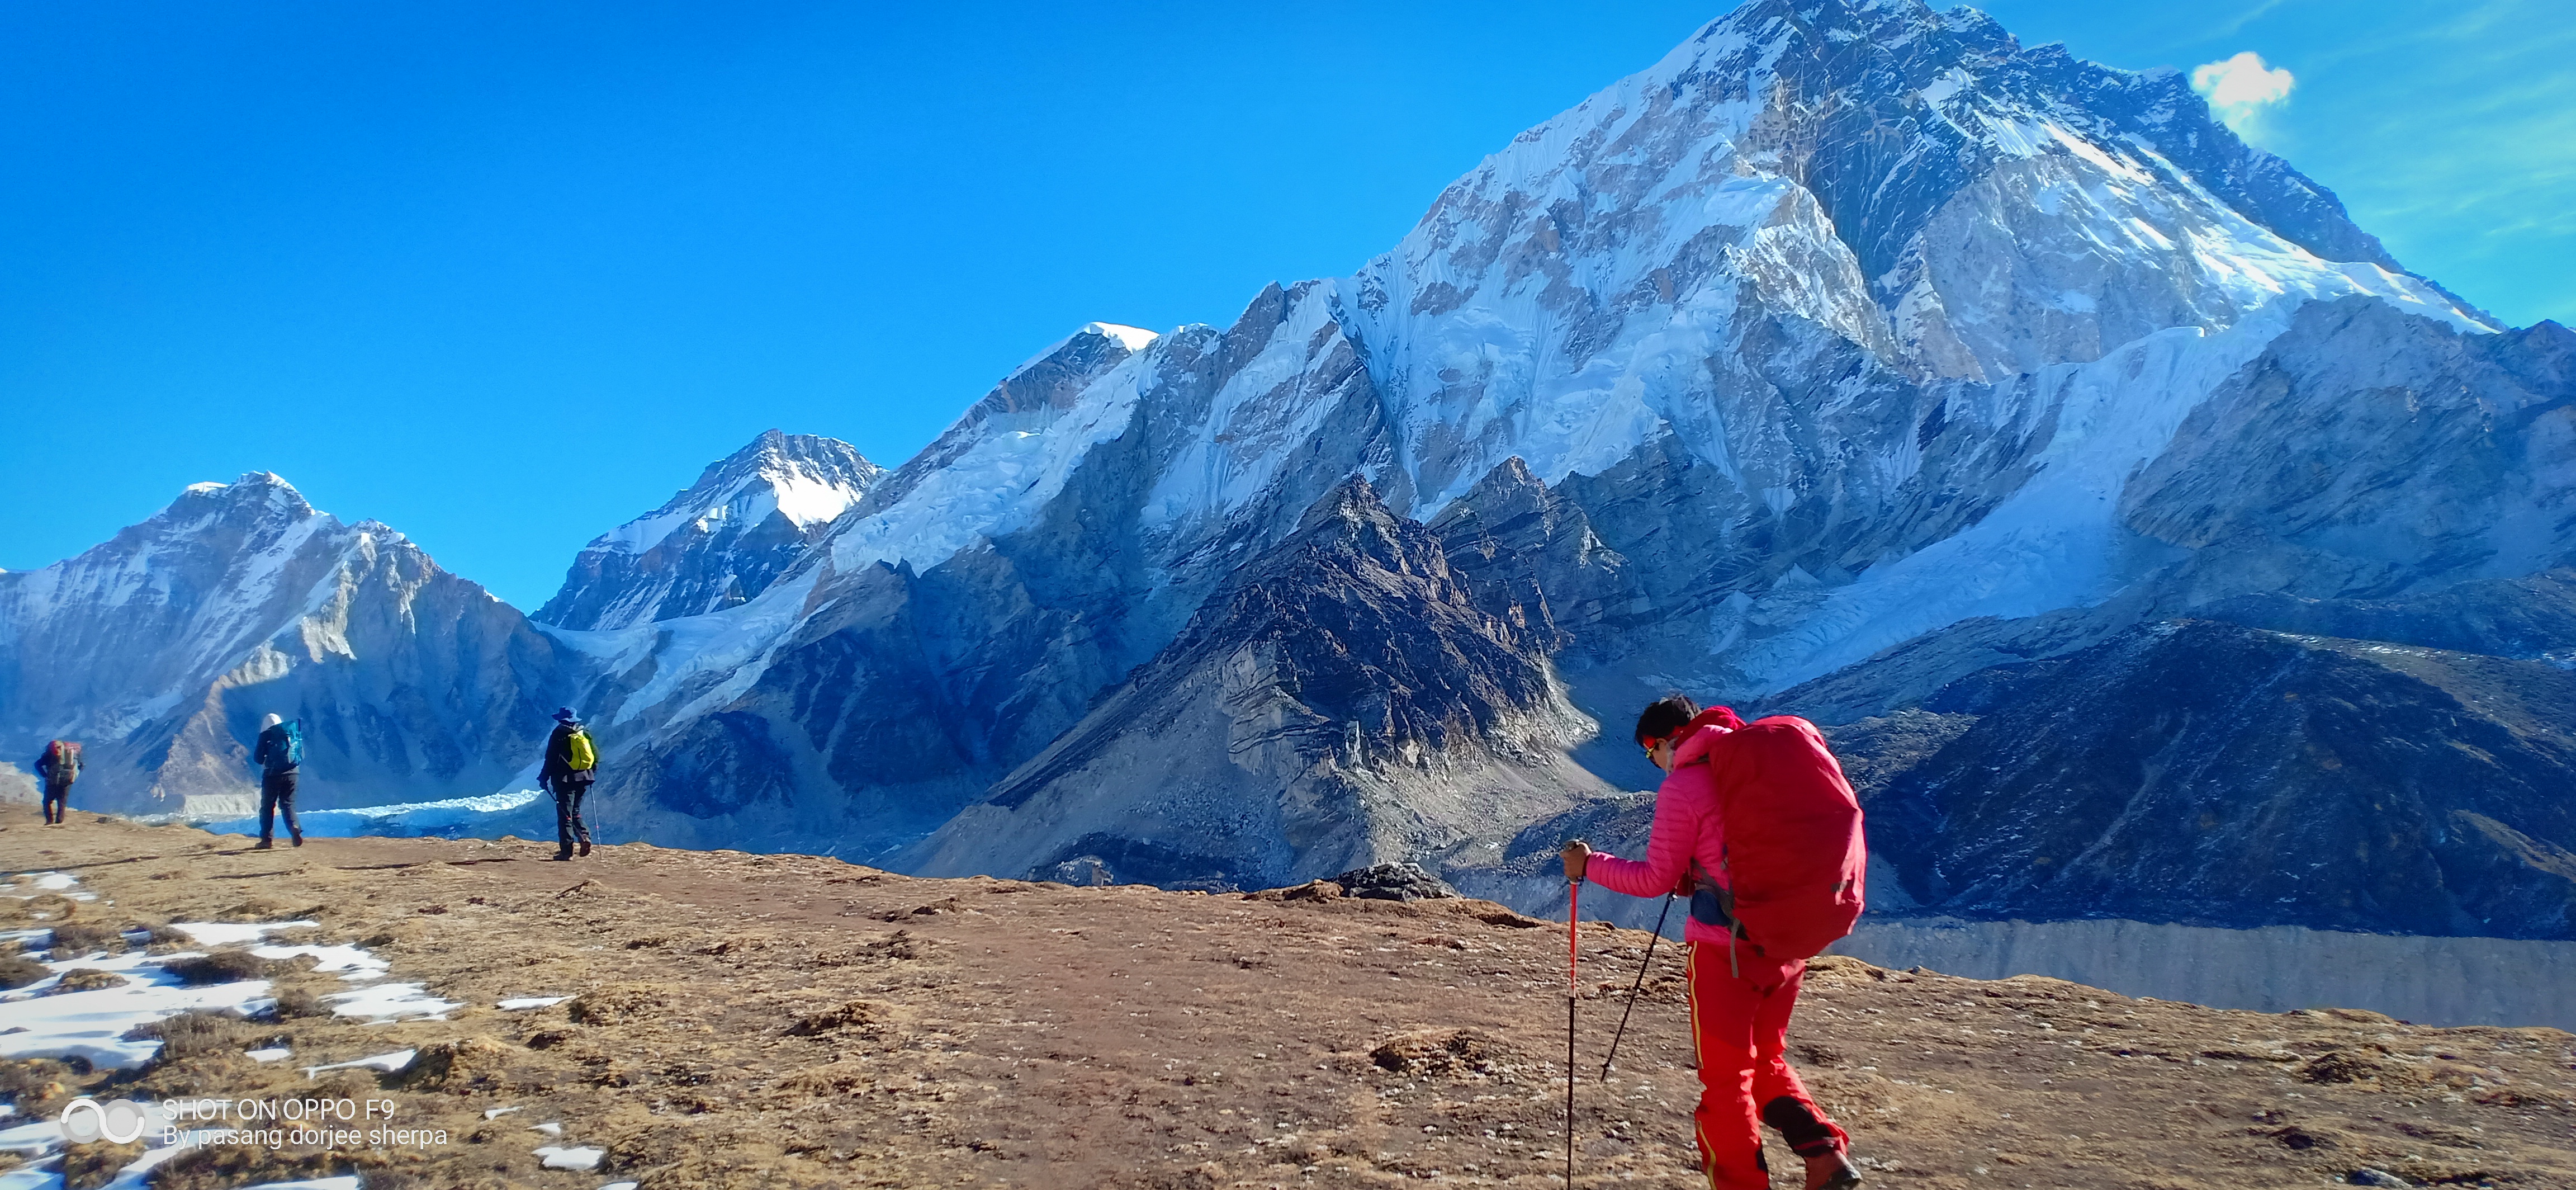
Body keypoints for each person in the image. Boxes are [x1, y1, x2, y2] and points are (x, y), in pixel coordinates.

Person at [1562, 695, 1862, 1190]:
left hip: (1725, 954)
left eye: (1650, 753)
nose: (1654, 765)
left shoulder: (1686, 785)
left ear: (1664, 742)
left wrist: (1589, 865)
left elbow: (1654, 879)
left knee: (1726, 1082)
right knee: (1766, 1059)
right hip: (1784, 942)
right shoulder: (1751, 768)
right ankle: (1826, 1156)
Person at [539, 707, 596, 860]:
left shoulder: (559, 734)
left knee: (565, 815)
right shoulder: (584, 733)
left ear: (561, 719)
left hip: (564, 780)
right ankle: (585, 837)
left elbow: (550, 759)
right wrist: (591, 775)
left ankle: (566, 852)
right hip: (584, 778)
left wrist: (543, 778)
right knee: (576, 811)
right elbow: (595, 757)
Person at [251, 713, 304, 849]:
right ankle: (295, 827)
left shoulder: (266, 735)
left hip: (272, 775)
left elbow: (258, 759)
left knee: (268, 807)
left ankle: (266, 840)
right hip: (293, 773)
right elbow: (301, 754)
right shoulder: (291, 733)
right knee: (288, 804)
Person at [32, 739, 80, 826]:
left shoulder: (50, 755)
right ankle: (59, 822)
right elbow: (81, 765)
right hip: (67, 782)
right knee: (62, 802)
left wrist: (45, 775)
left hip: (52, 782)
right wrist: (74, 775)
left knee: (47, 802)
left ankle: (49, 821)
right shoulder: (71, 754)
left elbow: (37, 764)